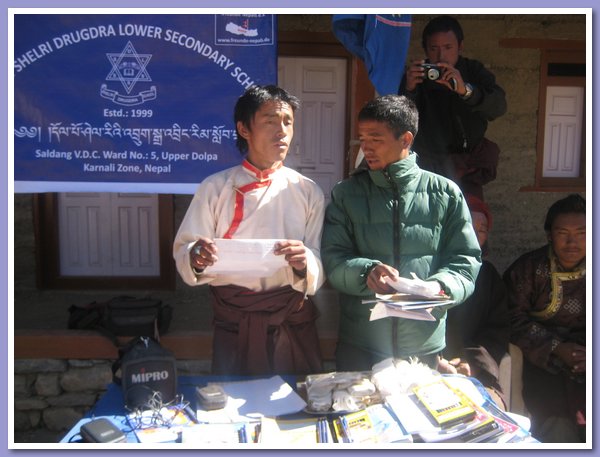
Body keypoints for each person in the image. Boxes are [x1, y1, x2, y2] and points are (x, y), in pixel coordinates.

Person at [173, 85, 326, 376]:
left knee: (294, 406)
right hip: (234, 319)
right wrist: (196, 256)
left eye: (288, 121)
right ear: (244, 129)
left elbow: (317, 257)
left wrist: (304, 261)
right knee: (232, 405)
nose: (281, 130)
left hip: (288, 316)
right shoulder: (215, 187)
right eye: (270, 121)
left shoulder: (308, 191)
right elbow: (186, 248)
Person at [321, 94, 481, 372]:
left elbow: (466, 261)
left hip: (422, 346)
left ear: (405, 140)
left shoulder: (445, 193)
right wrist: (366, 272)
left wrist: (439, 287)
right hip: (361, 344)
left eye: (376, 139)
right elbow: (334, 259)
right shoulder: (346, 194)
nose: (366, 148)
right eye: (362, 139)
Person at [503, 194, 586, 443]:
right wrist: (556, 348)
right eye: (563, 233)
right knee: (555, 421)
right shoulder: (528, 269)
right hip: (542, 361)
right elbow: (510, 317)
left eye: (582, 232)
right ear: (550, 235)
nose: (572, 242)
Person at [399, 15, 507, 199]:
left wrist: (466, 91)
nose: (441, 56)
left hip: (467, 169)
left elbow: (498, 107)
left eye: (448, 48)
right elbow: (399, 120)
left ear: (460, 46)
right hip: (428, 166)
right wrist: (408, 90)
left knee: (469, 222)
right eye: (434, 49)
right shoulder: (417, 77)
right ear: (425, 50)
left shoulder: (473, 71)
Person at [439, 194, 510, 410]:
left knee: (485, 410)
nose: (474, 234)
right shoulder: (428, 270)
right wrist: (435, 359)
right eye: (468, 224)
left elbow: (496, 329)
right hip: (429, 361)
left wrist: (472, 362)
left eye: (482, 229)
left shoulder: (488, 277)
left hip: (473, 367)